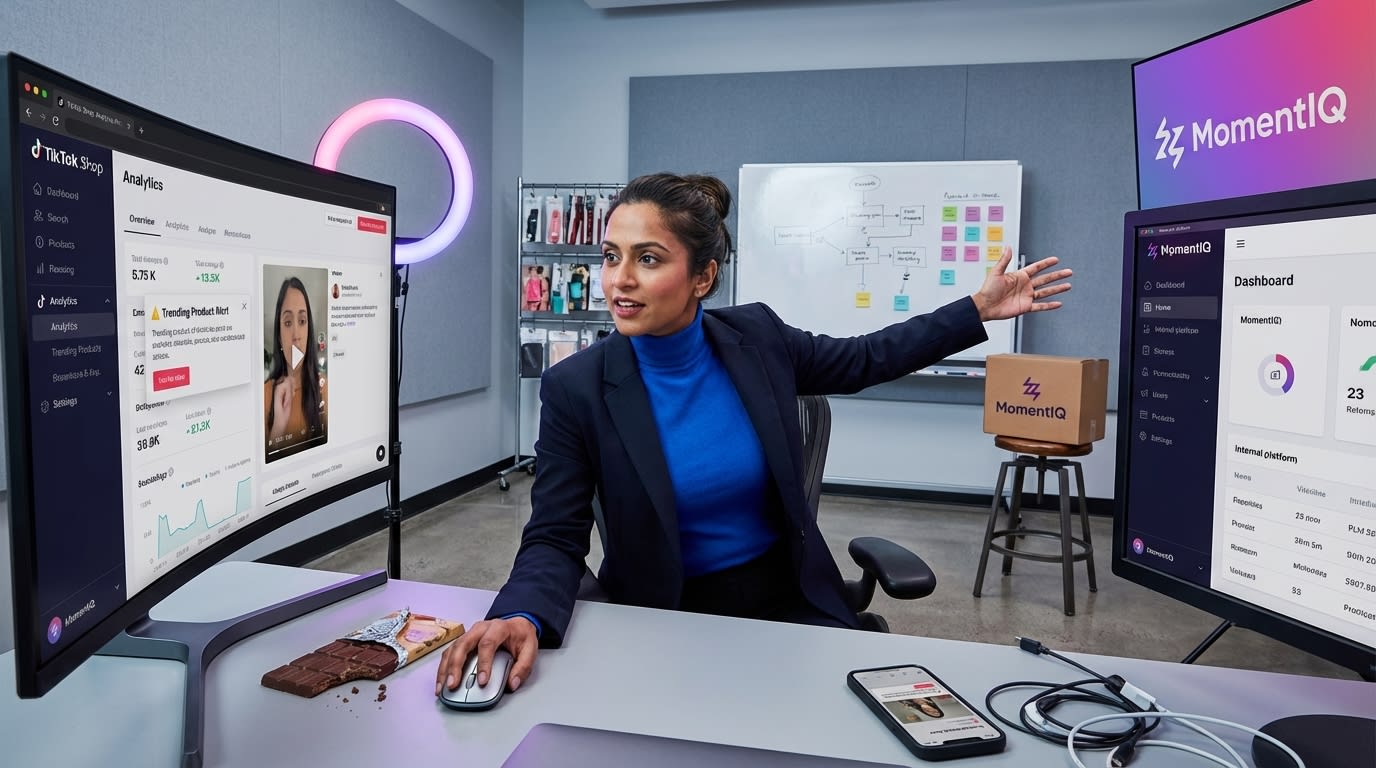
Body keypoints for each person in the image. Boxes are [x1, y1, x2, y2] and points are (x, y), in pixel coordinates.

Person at [436, 173, 1071, 698]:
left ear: (703, 278)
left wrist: (975, 311)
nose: (618, 280)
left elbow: (864, 357)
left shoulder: (756, 338)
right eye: (611, 256)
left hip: (787, 598)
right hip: (664, 614)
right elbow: (554, 535)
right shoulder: (577, 387)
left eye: (648, 258)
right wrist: (519, 612)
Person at [264, 276, 327, 452]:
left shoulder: (324, 389)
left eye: (302, 321)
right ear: (278, 334)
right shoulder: (265, 395)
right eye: (288, 323)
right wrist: (278, 429)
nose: (296, 334)